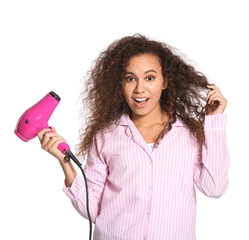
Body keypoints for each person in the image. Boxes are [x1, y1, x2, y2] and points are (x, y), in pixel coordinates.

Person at [37, 34, 230, 240]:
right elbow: (93, 210)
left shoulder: (188, 134)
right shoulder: (106, 136)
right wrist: (65, 163)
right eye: (130, 78)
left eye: (150, 77)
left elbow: (214, 187)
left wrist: (213, 122)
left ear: (165, 81)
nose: (139, 89)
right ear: (120, 84)